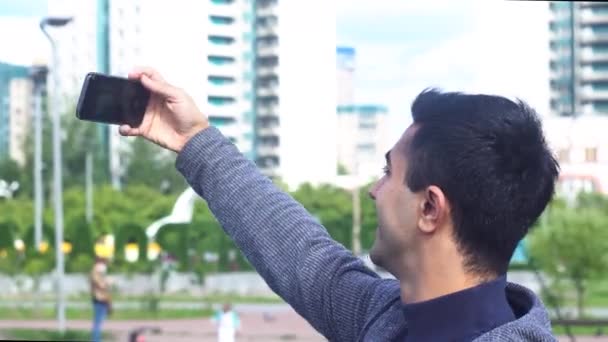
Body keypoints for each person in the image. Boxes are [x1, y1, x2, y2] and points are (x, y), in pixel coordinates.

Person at [119, 67, 559, 341]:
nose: (374, 189)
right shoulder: (385, 317)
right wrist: (194, 141)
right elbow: (301, 255)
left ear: (430, 208)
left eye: (389, 172)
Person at [90, 256, 112, 342]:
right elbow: (101, 286)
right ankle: (96, 340)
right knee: (97, 323)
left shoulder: (98, 273)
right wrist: (108, 282)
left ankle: (96, 339)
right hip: (100, 300)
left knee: (98, 323)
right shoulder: (96, 273)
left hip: (102, 300)